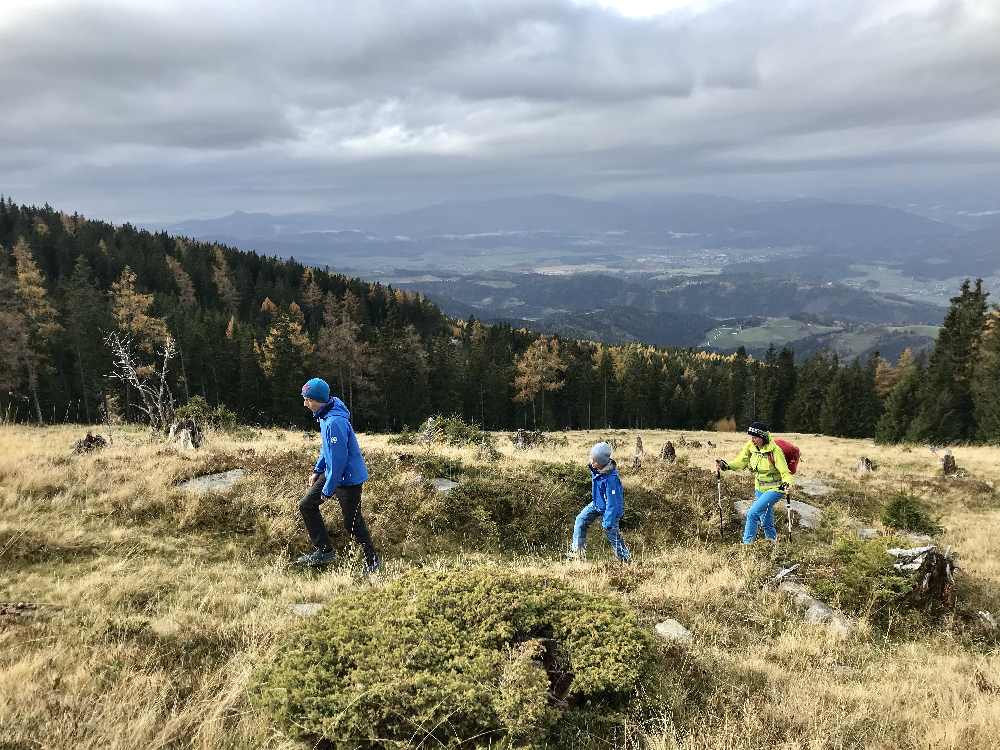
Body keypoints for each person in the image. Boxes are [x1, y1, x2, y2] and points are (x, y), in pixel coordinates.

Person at [295, 377, 381, 572]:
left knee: (352, 522)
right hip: (334, 473)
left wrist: (327, 489)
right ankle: (325, 551)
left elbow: (339, 460)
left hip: (348, 478)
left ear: (318, 399)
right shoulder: (325, 415)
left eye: (308, 399)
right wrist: (318, 470)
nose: (305, 403)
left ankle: (373, 562)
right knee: (307, 505)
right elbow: (327, 449)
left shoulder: (334, 422)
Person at [716, 421, 793, 545]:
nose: (753, 440)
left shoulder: (775, 451)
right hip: (759, 489)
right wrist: (727, 466)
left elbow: (785, 473)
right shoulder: (750, 447)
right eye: (751, 437)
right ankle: (773, 544)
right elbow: (741, 461)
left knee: (752, 513)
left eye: (755, 437)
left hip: (775, 489)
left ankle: (747, 545)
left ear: (762, 437)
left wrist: (787, 483)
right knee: (766, 521)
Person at [564, 442, 631, 562]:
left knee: (612, 532)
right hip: (597, 504)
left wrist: (609, 521)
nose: (591, 461)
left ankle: (625, 559)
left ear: (601, 462)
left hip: (611, 510)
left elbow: (613, 503)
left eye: (594, 460)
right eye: (591, 458)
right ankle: (577, 553)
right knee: (580, 520)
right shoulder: (597, 470)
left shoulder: (611, 479)